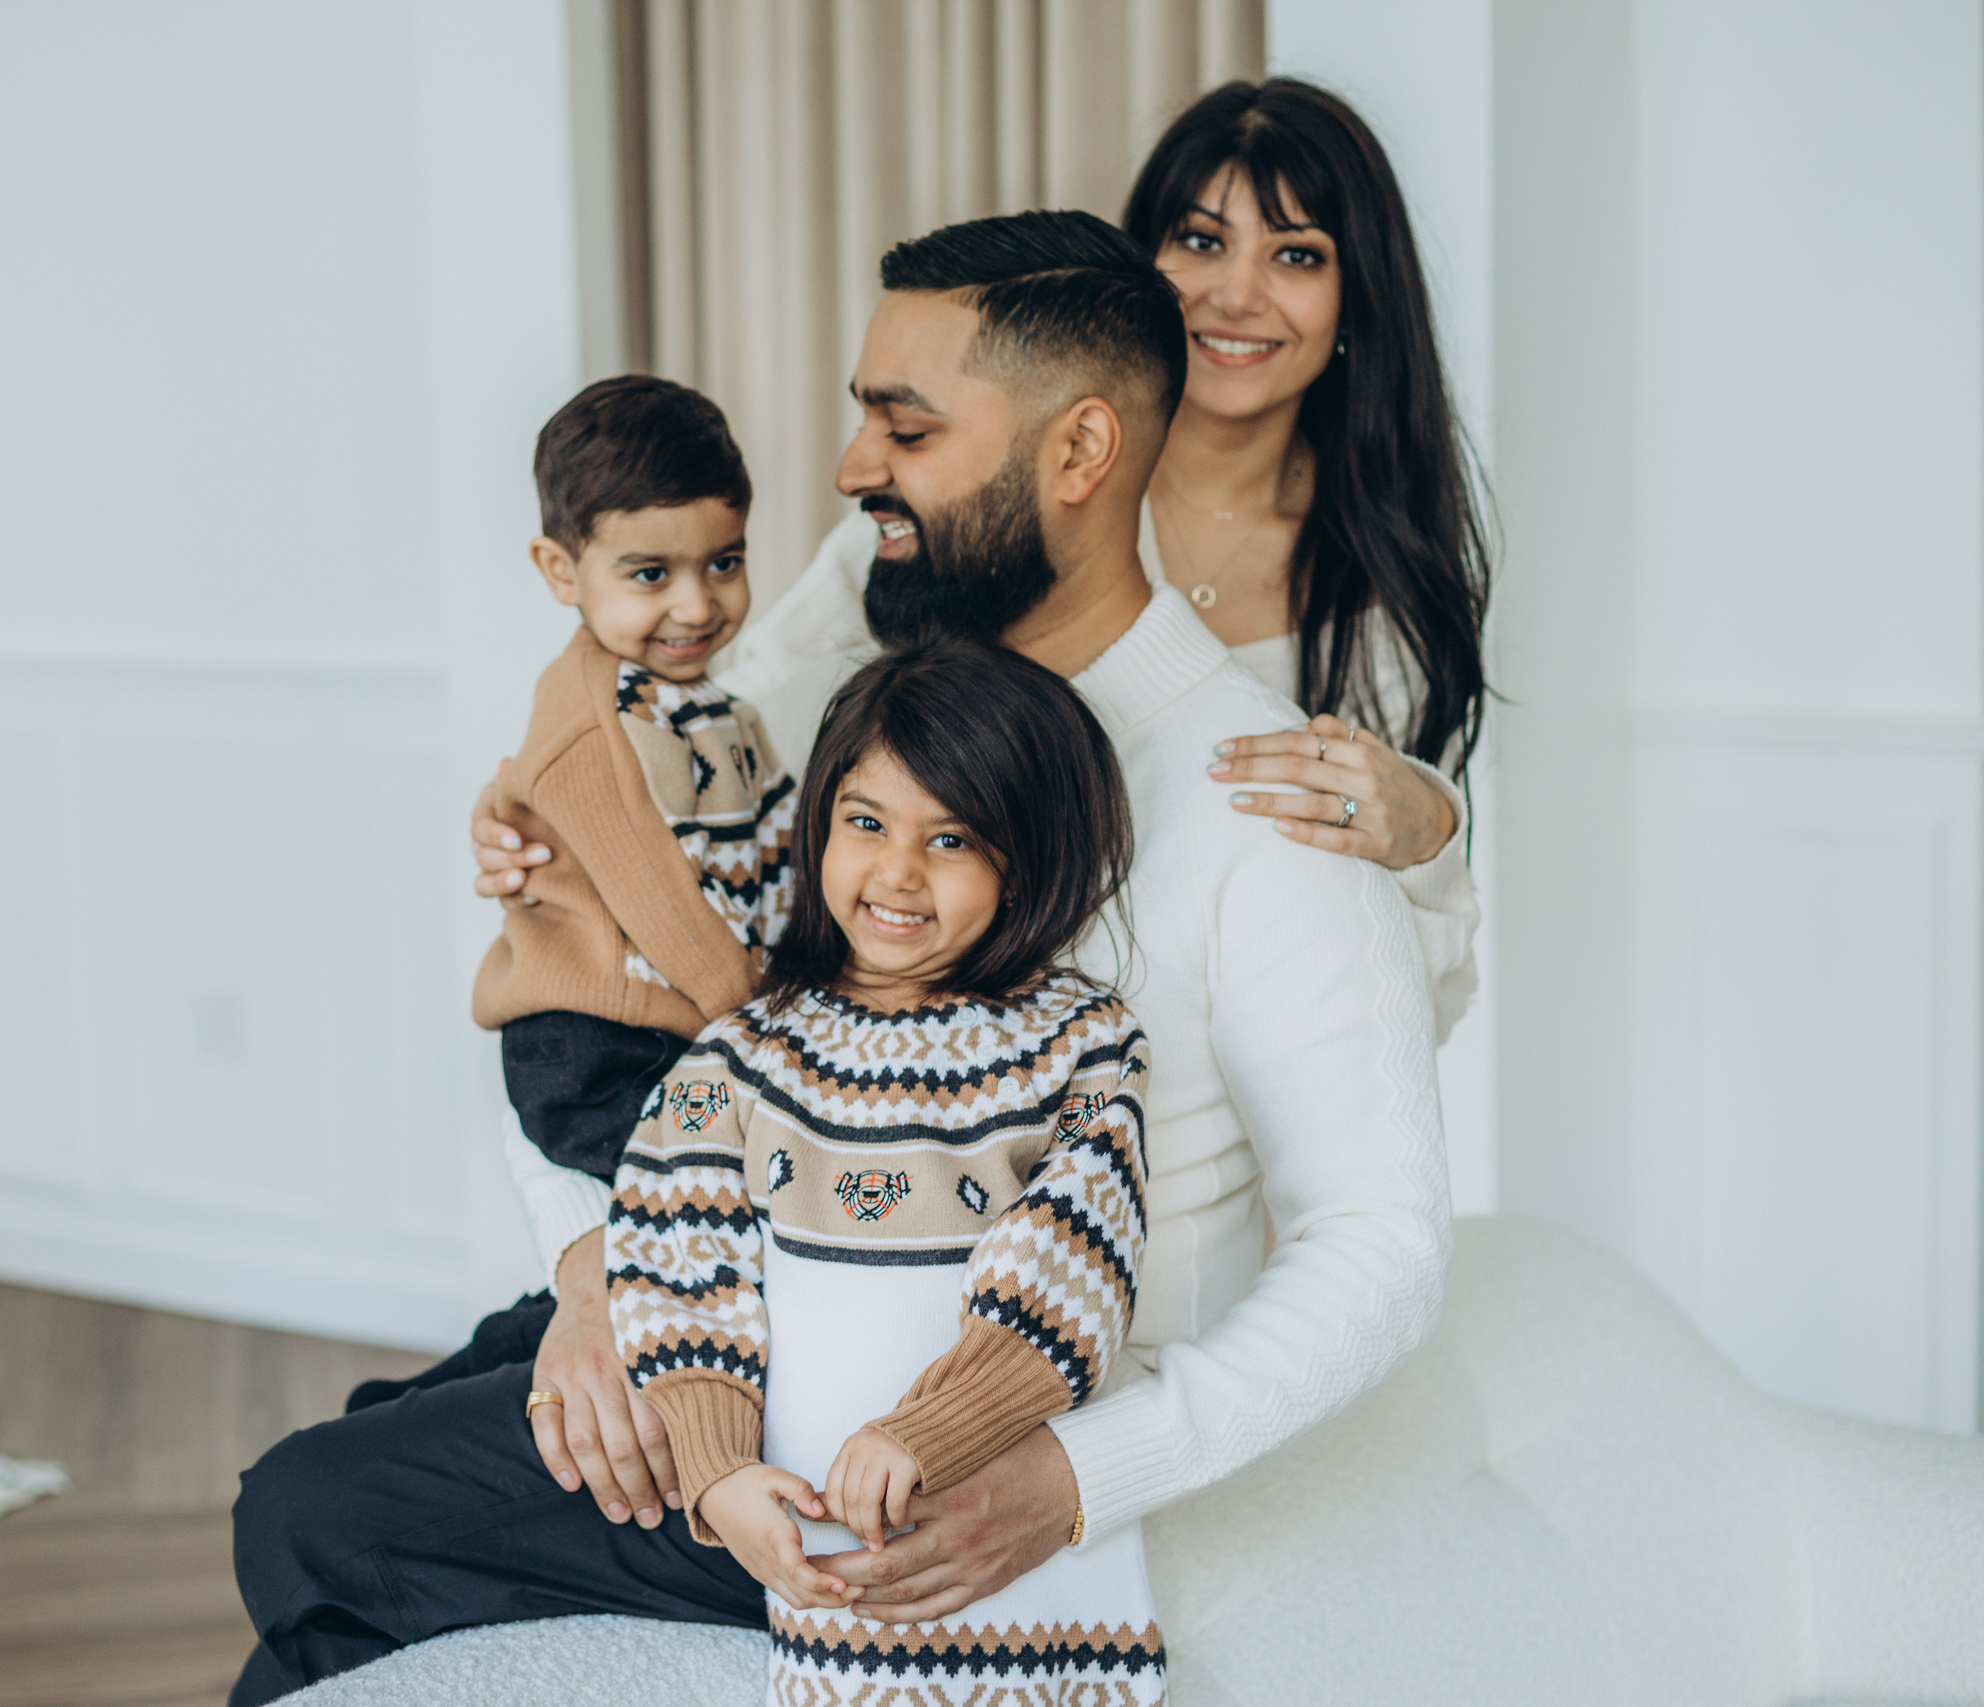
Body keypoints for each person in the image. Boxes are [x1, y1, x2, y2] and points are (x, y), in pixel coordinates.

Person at [227, 205, 1445, 1704]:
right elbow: (636, 1007)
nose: (854, 467)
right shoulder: (846, 723)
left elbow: (1382, 1245)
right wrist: (600, 1267)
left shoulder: (1268, 798)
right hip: (736, 1300)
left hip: (932, 1460)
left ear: (1076, 454)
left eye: (904, 427)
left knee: (314, 1509)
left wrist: (1070, 1475)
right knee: (399, 1417)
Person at [484, 78, 1489, 1040]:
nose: (1233, 293)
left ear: (1358, 297)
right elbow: (722, 721)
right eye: (1199, 239)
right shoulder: (963, 517)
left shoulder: (1379, 601)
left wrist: (1428, 839)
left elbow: (1401, 1010)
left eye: (1297, 256)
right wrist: (558, 805)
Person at [612, 638, 1159, 1704]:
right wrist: (718, 1468)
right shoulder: (741, 1058)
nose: (897, 872)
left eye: (951, 838)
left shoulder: (1081, 1045)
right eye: (865, 824)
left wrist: (933, 1430)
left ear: (1029, 858)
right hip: (828, 1554)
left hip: (1023, 1552)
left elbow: (1074, 1265)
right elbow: (674, 1263)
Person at [469, 375, 794, 1192]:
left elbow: (783, 837)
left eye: (725, 562)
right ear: (561, 570)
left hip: (689, 1020)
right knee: (713, 1199)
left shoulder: (714, 704)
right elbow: (659, 895)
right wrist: (756, 1021)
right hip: (597, 1043)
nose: (696, 604)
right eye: (650, 574)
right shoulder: (597, 717)